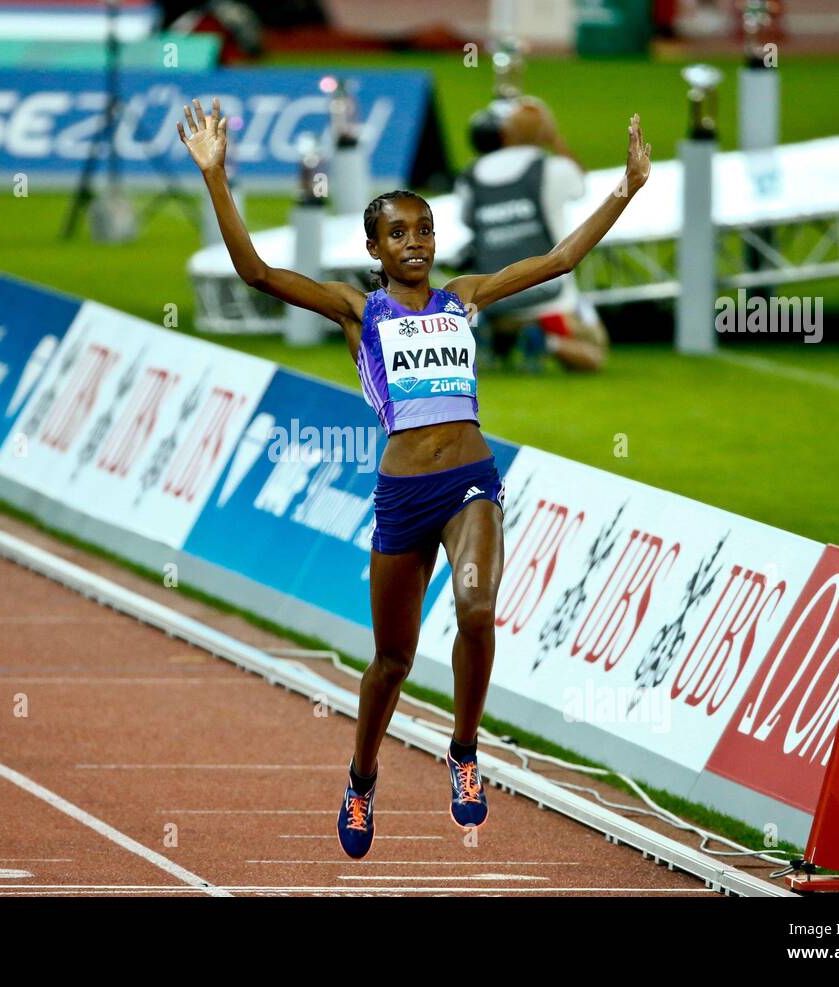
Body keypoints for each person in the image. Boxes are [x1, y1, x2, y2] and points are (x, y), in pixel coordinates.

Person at [178, 96, 651, 859]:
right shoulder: (354, 310)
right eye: (398, 233)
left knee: (475, 607)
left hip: (471, 480)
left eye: (425, 229)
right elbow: (256, 271)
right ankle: (362, 776)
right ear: (374, 246)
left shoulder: (463, 297)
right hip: (401, 496)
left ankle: (464, 751)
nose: (416, 243)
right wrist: (217, 177)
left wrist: (625, 188)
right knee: (391, 660)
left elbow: (560, 259)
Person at [459, 95, 610, 373]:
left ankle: (495, 340)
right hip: (550, 299)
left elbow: (467, 222)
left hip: (495, 299)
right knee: (595, 350)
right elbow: (581, 186)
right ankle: (547, 342)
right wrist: (555, 141)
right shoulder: (552, 167)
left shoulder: (472, 174)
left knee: (502, 309)